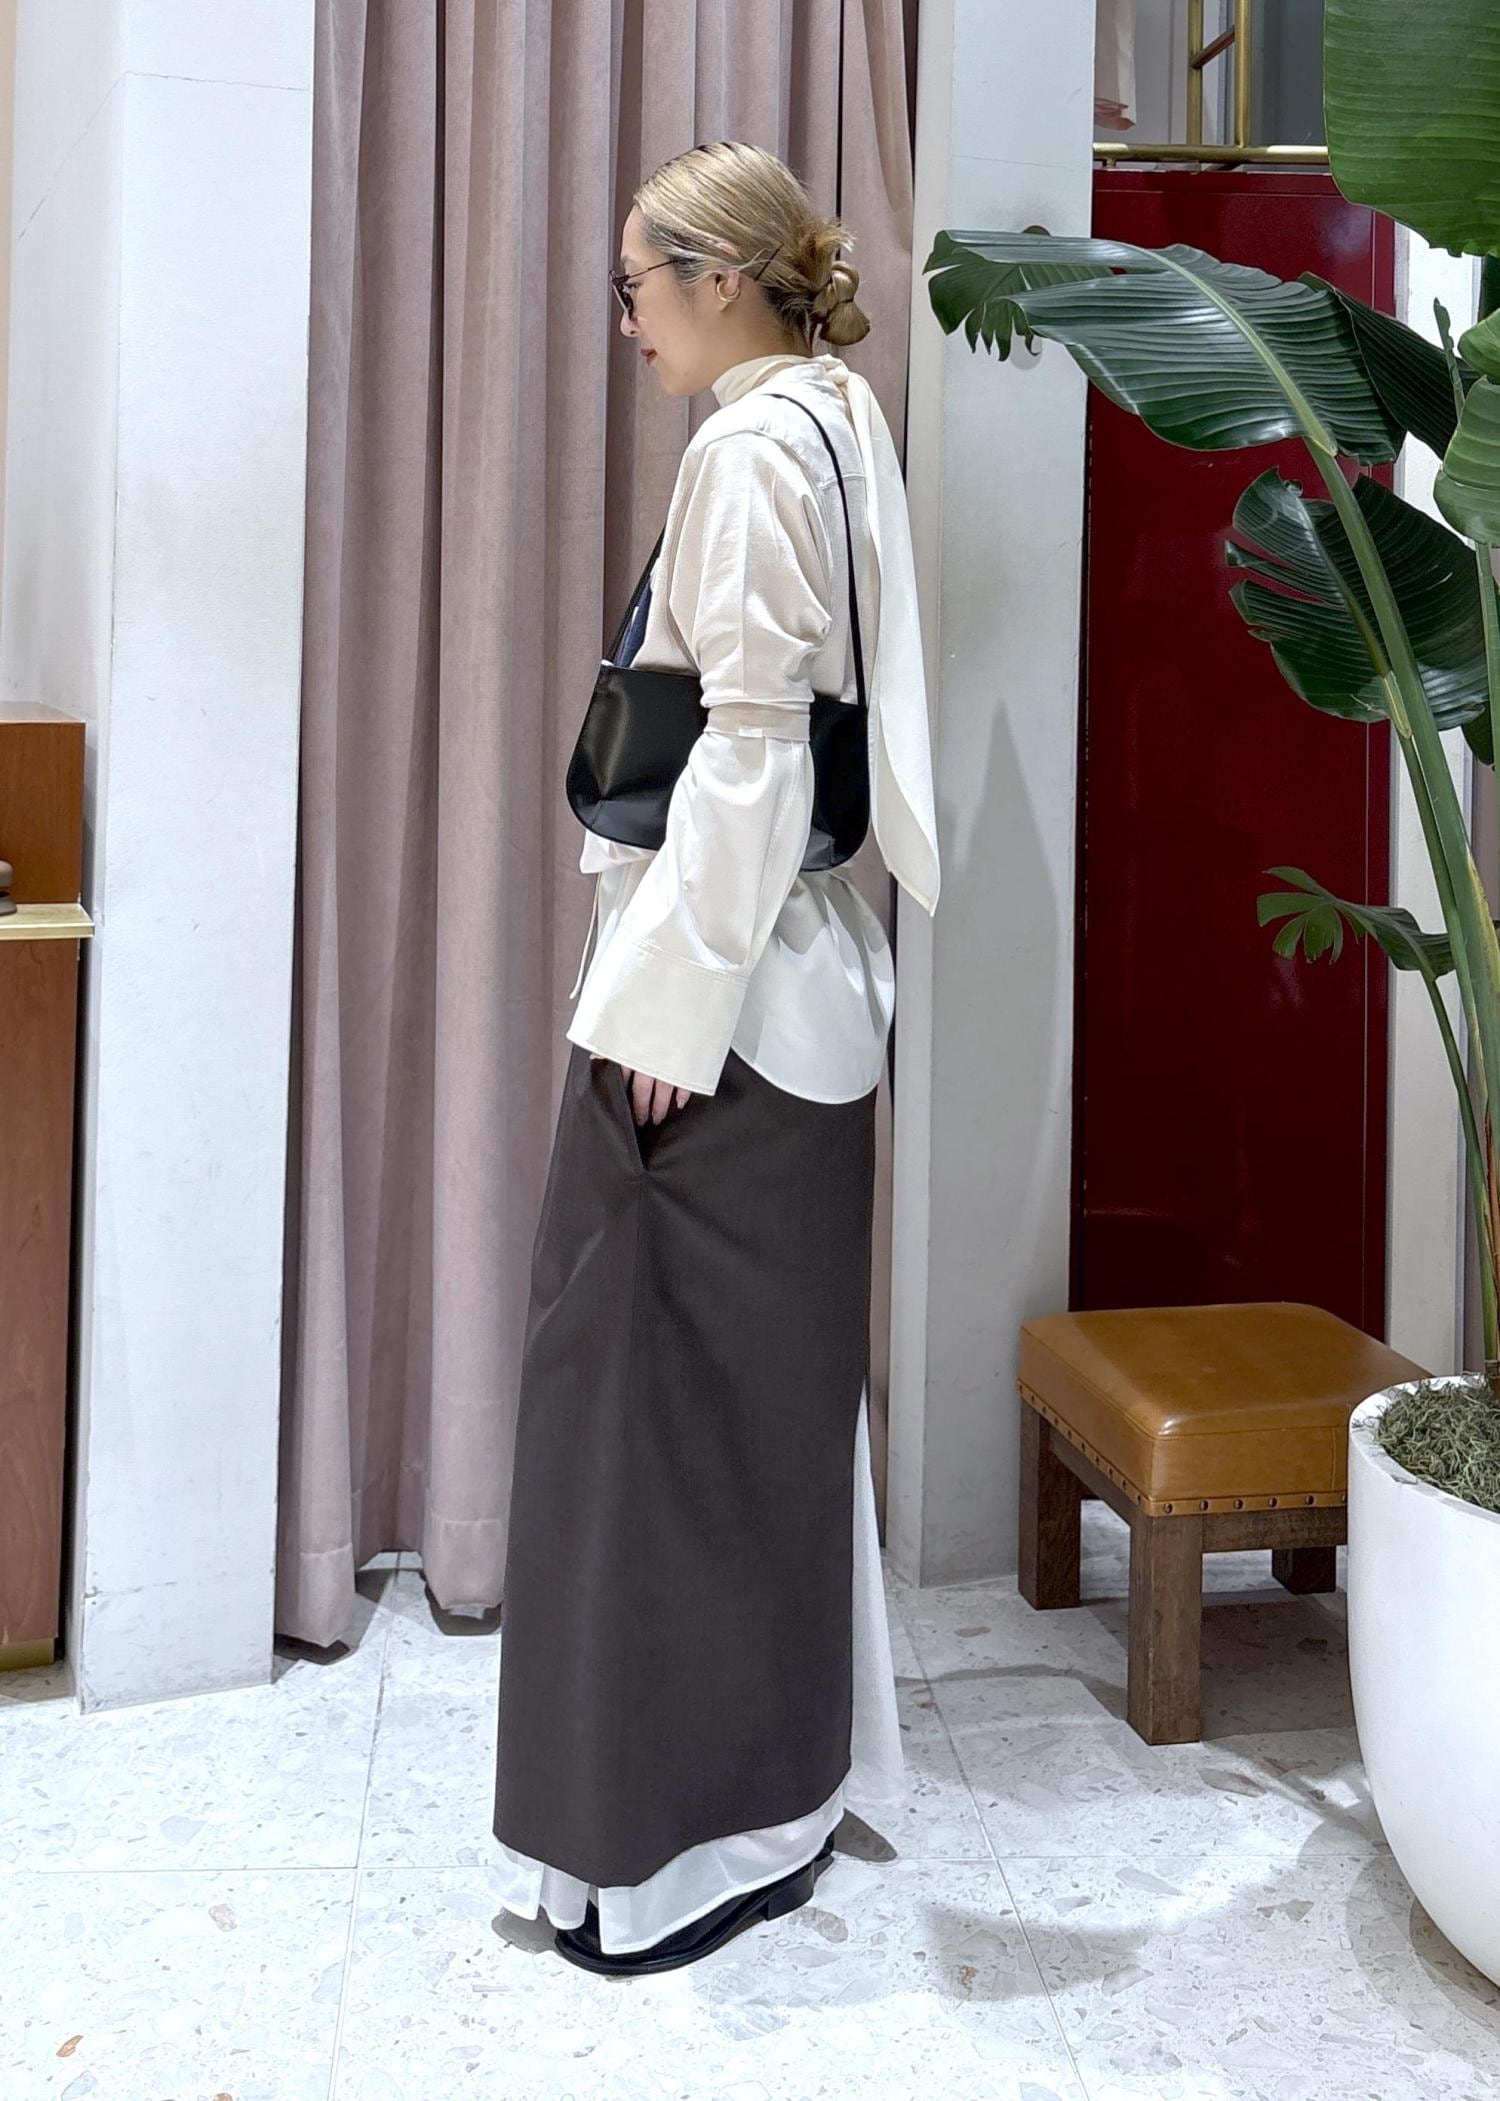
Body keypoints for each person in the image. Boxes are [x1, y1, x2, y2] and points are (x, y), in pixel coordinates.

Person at [491, 139, 941, 1977]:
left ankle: (670, 1846)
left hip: (726, 1002)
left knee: (633, 1407)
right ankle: (770, 1801)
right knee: (752, 1415)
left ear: (721, 278)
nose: (627, 323)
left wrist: (665, 1017)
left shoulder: (752, 452)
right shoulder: (838, 421)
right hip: (803, 982)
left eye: (637, 287)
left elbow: (751, 748)